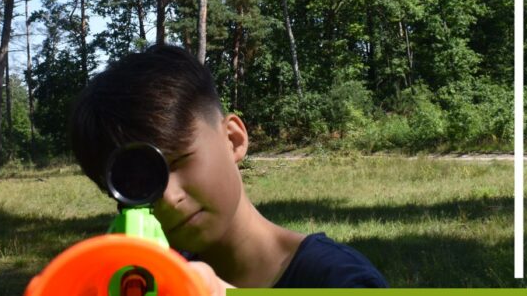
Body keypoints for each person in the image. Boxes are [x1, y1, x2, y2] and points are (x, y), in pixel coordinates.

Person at [69, 44, 388, 293]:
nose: (168, 198)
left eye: (178, 161)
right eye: (140, 185)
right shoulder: (155, 279)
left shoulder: (340, 280)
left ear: (233, 140)